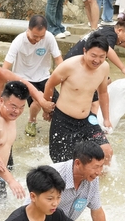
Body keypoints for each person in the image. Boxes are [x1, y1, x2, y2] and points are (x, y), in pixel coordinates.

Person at [45, 34, 112, 164]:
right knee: (66, 164)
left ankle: (96, 182)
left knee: (106, 151)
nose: (97, 60)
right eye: (93, 55)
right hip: (63, 120)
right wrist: (46, 108)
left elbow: (103, 93)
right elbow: (49, 85)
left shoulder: (104, 68)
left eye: (102, 57)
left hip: (87, 119)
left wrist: (106, 119)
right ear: (84, 51)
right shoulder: (69, 66)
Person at [43, 141, 107, 221]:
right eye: (95, 167)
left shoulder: (92, 179)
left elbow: (97, 210)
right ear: (77, 163)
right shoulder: (53, 175)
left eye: (101, 166)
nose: (98, 172)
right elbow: (30, 210)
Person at [3, 15, 64, 137]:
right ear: (28, 29)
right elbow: (5, 67)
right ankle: (32, 120)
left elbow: (59, 60)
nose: (38, 39)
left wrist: (66, 78)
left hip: (43, 76)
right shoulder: (19, 41)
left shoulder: (49, 38)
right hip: (23, 78)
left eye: (41, 36)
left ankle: (58, 127)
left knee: (58, 106)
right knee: (38, 99)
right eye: (35, 36)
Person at [64, 18, 125, 83]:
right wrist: (123, 68)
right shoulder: (111, 35)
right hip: (76, 63)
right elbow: (108, 50)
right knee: (105, 82)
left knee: (105, 81)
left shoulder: (109, 30)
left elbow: (124, 43)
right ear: (119, 30)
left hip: (72, 60)